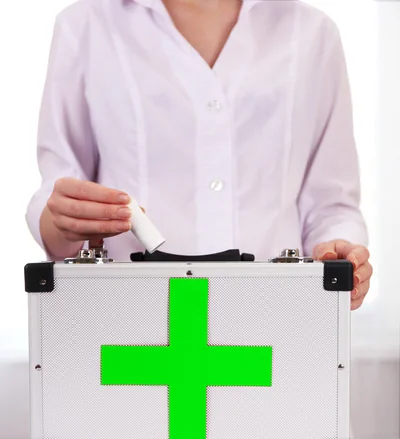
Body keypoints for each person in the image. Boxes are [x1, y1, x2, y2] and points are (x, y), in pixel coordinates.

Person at [26, 0, 373, 310]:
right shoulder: (85, 24)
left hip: (275, 320)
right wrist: (62, 222)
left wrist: (341, 254)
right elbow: (59, 189)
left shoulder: (312, 33)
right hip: (128, 322)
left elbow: (331, 203)